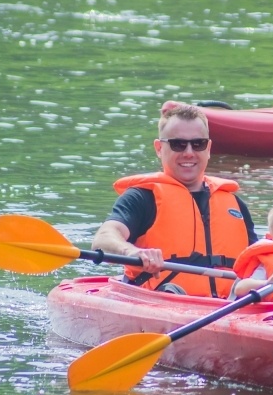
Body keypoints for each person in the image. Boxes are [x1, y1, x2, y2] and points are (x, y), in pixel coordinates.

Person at [91, 101, 258, 298]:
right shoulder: (142, 198)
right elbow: (103, 239)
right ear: (159, 148)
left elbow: (259, 260)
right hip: (162, 300)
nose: (189, 152)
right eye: (178, 144)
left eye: (198, 144)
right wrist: (132, 252)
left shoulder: (235, 205)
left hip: (231, 304)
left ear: (208, 148)